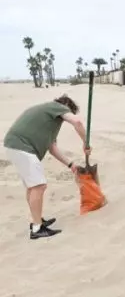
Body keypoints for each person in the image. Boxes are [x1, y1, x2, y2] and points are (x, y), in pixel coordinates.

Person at [3, 94, 89, 239]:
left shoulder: (48, 119)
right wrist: (86, 143)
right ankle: (37, 229)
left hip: (14, 145)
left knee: (32, 187)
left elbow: (52, 147)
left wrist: (70, 164)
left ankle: (35, 221)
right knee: (39, 186)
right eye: (67, 113)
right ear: (66, 107)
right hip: (22, 146)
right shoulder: (57, 107)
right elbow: (78, 122)